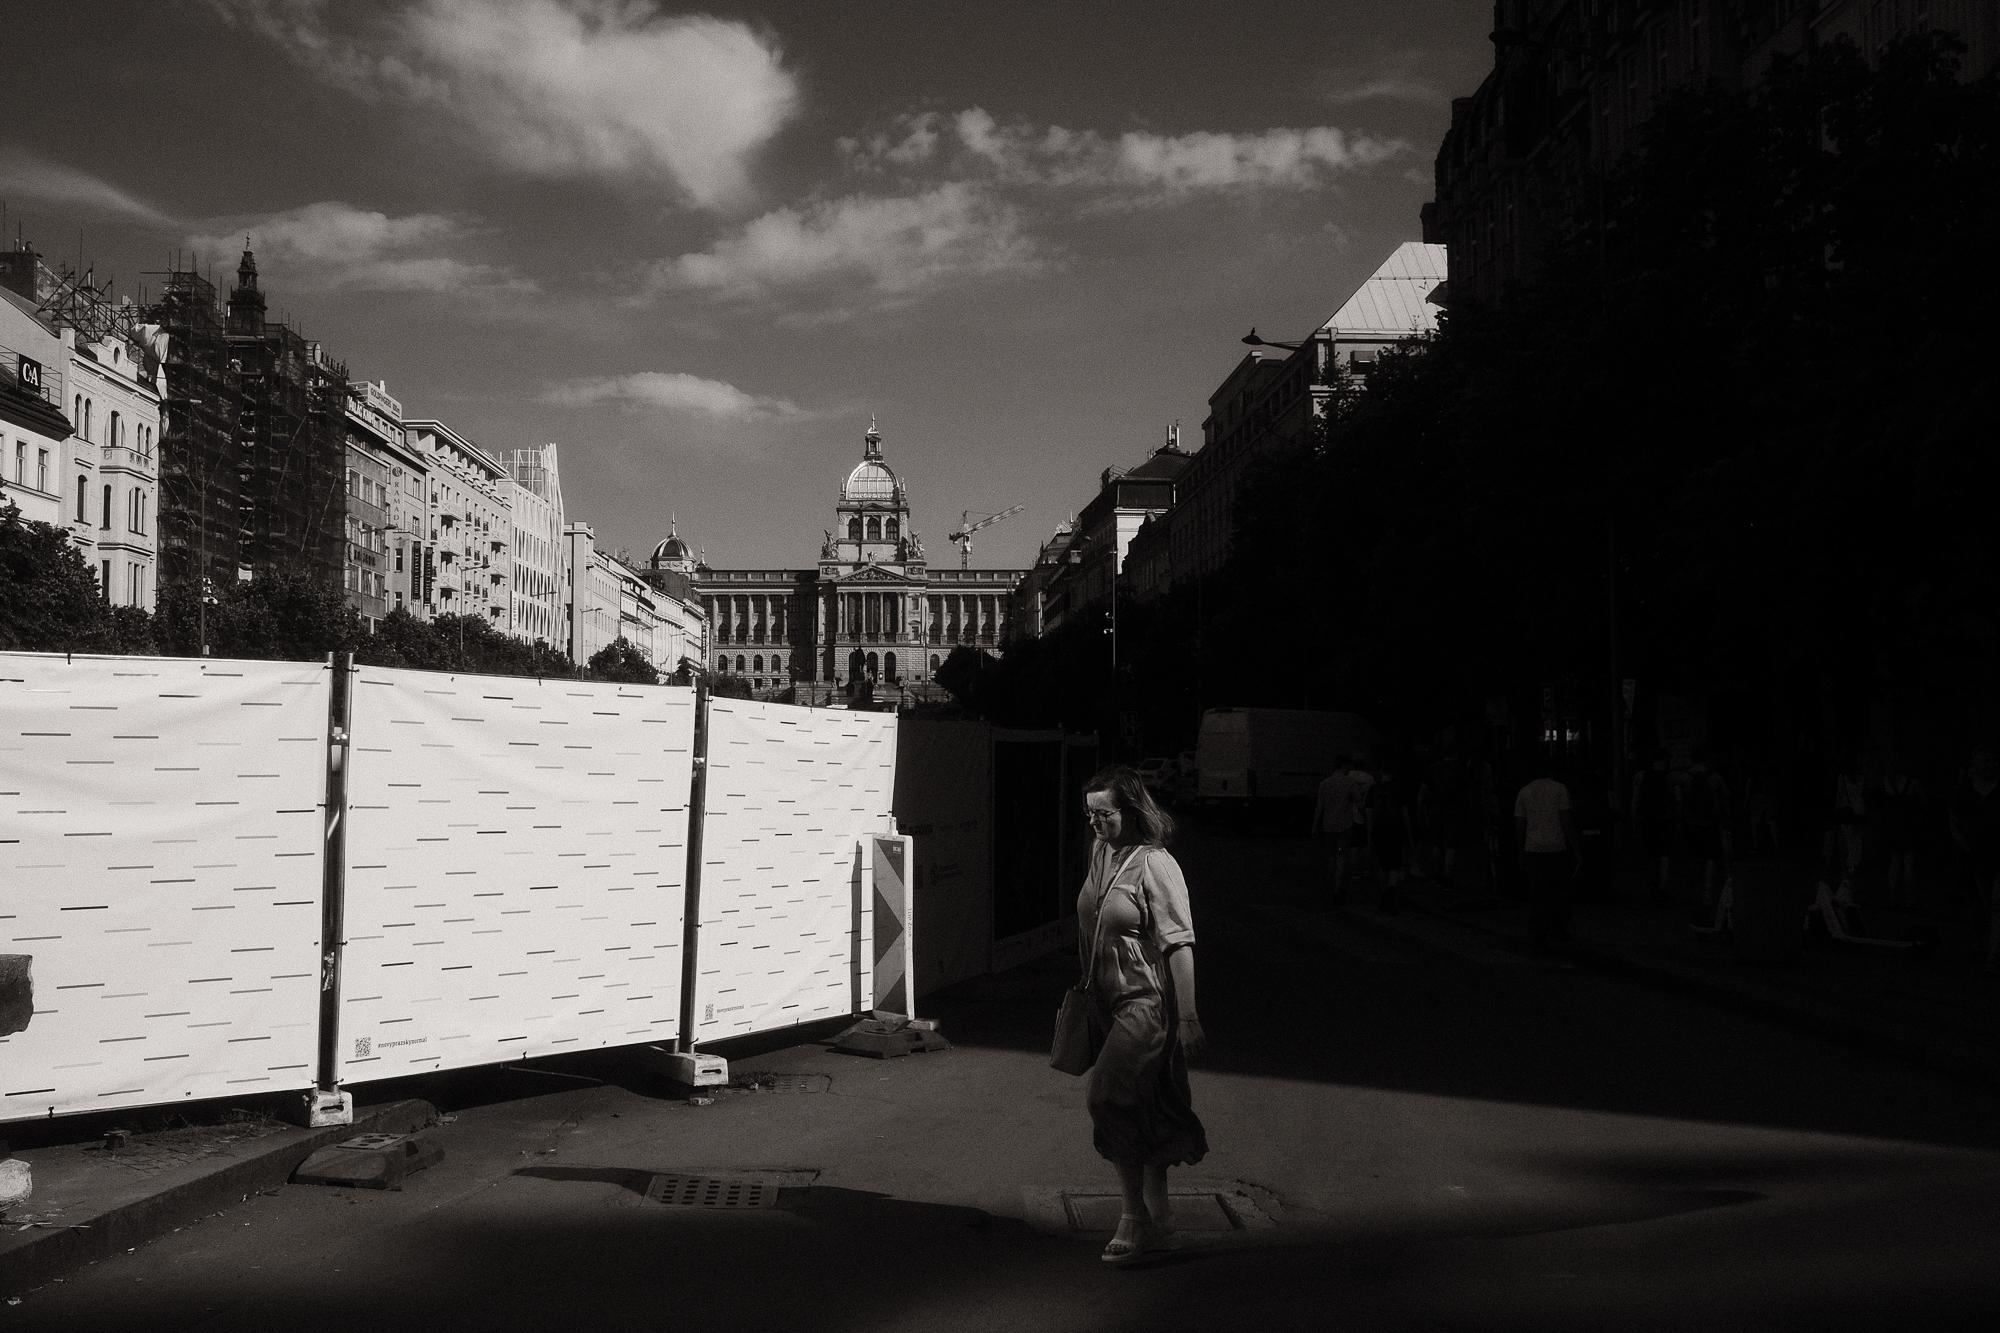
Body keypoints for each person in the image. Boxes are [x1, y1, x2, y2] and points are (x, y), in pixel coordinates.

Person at [1079, 766, 1208, 1263]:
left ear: (1131, 811)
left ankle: (1132, 1217)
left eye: (1104, 814)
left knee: (1108, 1096)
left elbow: (1179, 944)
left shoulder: (1156, 864)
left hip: (1146, 1002)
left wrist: (1188, 1017)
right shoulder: (1100, 852)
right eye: (1090, 815)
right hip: (1107, 1000)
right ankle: (1162, 1219)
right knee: (1144, 1104)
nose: (1095, 824)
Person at [1513, 755, 1582, 951]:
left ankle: (1538, 930)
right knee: (1559, 889)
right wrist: (1576, 847)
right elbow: (1566, 820)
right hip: (1556, 846)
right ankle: (1558, 927)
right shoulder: (1559, 789)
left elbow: (1520, 824)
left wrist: (1520, 850)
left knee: (1537, 890)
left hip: (1533, 847)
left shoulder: (1524, 792)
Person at [1946, 745, 2000, 974]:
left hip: (1997, 855)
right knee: (1976, 903)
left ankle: (1992, 954)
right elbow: (1954, 820)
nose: (1989, 765)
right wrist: (1965, 846)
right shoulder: (1964, 791)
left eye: (1992, 760)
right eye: (1984, 761)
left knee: (1995, 903)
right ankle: (1980, 943)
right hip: (1972, 855)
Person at [1310, 754, 1371, 904]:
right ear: (1344, 766)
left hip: (1328, 826)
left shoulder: (1325, 784)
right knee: (1341, 857)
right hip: (1344, 827)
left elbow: (1319, 806)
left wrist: (1315, 825)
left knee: (1331, 857)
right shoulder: (1349, 783)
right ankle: (1337, 889)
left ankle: (1332, 885)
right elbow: (1359, 803)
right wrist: (1367, 816)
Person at [1874, 754, 1926, 911]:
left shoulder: (1886, 783)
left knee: (1894, 864)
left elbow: (1881, 805)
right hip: (1908, 827)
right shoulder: (1912, 783)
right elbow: (1923, 802)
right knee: (1908, 864)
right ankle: (1909, 901)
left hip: (1893, 827)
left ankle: (1892, 899)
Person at [1630, 751, 1676, 903]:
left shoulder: (1641, 776)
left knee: (1650, 853)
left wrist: (1635, 818)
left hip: (1647, 818)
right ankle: (1662, 886)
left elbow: (1635, 799)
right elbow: (1673, 799)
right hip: (1664, 819)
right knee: (1664, 854)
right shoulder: (1669, 777)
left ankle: (1651, 884)